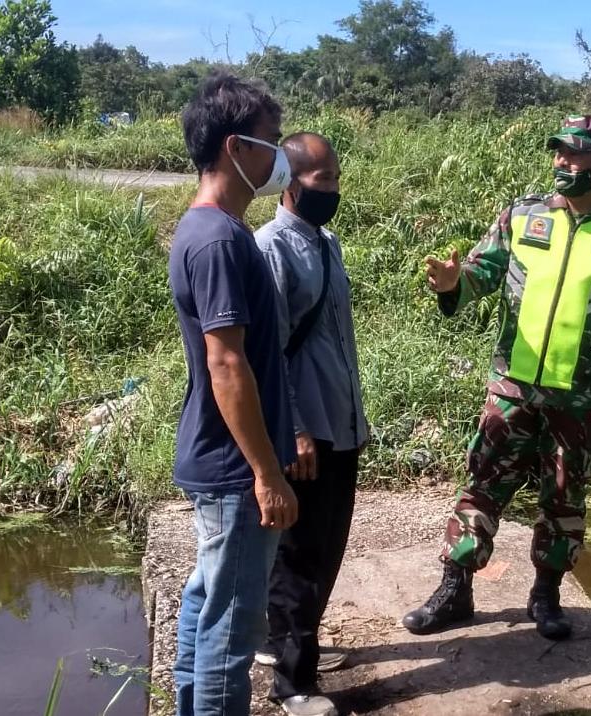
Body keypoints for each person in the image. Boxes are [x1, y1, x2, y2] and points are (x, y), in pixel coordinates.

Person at [402, 115, 591, 641]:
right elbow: (480, 273)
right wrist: (453, 283)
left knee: (564, 498)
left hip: (577, 397)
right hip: (511, 389)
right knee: (482, 486)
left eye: (577, 156)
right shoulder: (522, 217)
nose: (564, 163)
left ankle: (546, 596)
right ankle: (455, 590)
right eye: (559, 153)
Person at [168, 73, 300, 716]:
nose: (281, 158)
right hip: (233, 468)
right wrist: (267, 472)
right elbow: (226, 365)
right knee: (233, 629)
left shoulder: (207, 231)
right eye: (271, 142)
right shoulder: (219, 240)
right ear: (234, 148)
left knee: (205, 600)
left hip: (219, 459)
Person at [253, 133, 369, 716]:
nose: (332, 192)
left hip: (341, 419)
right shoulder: (270, 248)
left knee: (328, 545)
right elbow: (267, 352)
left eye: (335, 180)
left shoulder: (327, 242)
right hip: (305, 429)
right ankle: (294, 683)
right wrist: (292, 429)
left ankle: (289, 645)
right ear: (290, 184)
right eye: (323, 182)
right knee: (299, 555)